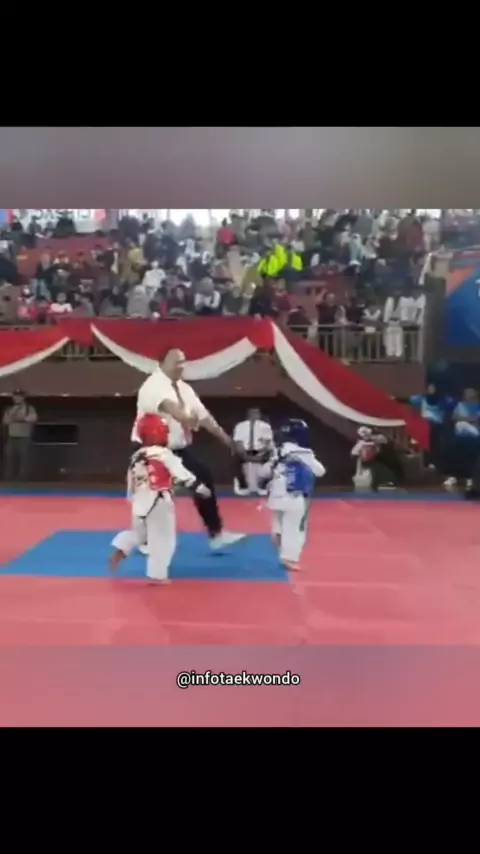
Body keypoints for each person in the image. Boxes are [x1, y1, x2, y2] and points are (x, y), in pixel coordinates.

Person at [132, 348, 245, 550]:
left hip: (177, 450)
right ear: (162, 363)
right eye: (176, 361)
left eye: (183, 362)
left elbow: (205, 417)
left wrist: (228, 441)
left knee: (203, 478)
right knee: (157, 494)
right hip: (153, 450)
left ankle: (216, 534)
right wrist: (186, 418)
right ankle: (146, 540)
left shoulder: (184, 388)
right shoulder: (153, 385)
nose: (181, 366)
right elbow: (169, 407)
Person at [110, 413, 211, 583]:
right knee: (163, 539)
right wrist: (199, 487)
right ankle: (157, 575)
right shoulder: (164, 454)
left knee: (139, 534)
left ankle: (122, 547)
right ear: (157, 433)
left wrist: (132, 500)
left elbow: (131, 484)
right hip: (159, 501)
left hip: (139, 502)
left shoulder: (136, 457)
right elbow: (181, 473)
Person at [258, 418, 326, 572]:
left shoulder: (277, 451)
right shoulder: (304, 453)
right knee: (294, 527)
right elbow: (320, 471)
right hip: (293, 494)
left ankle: (277, 531)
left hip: (275, 494)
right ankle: (289, 558)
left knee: (279, 517)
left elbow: (264, 471)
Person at [232, 408, 273, 496]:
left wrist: (260, 455)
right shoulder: (240, 426)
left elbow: (267, 443)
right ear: (248, 414)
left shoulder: (265, 426)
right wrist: (244, 455)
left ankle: (259, 486)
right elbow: (238, 442)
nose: (254, 415)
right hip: (245, 452)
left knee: (266, 464)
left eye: (256, 413)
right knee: (241, 461)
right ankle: (247, 486)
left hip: (261, 452)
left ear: (259, 415)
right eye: (252, 413)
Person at [2, 389, 38, 480]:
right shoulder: (10, 409)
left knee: (24, 456)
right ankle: (9, 475)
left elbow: (32, 419)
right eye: (15, 396)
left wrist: (19, 419)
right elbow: (5, 421)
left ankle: (23, 476)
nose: (16, 398)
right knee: (9, 455)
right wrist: (18, 418)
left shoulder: (29, 408)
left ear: (23, 397)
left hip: (24, 436)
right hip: (12, 436)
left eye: (19, 396)